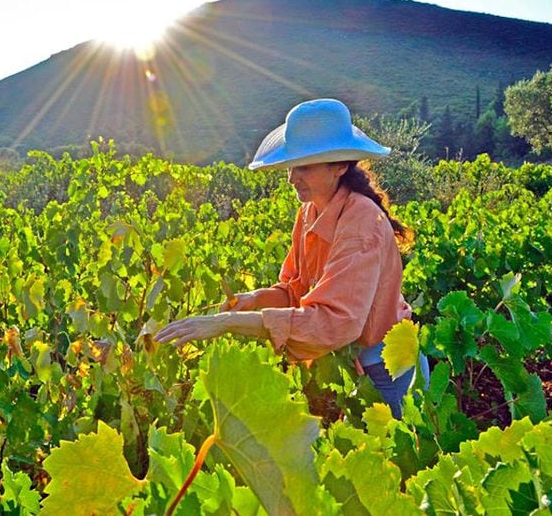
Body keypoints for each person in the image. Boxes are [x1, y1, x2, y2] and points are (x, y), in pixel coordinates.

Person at [153, 97, 428, 418]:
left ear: (339, 167)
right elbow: (297, 290)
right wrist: (254, 300)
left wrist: (227, 324)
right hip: (354, 366)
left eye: (305, 167)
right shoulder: (309, 212)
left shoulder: (361, 221)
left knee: (399, 461)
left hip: (389, 368)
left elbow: (336, 323)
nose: (291, 177)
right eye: (292, 166)